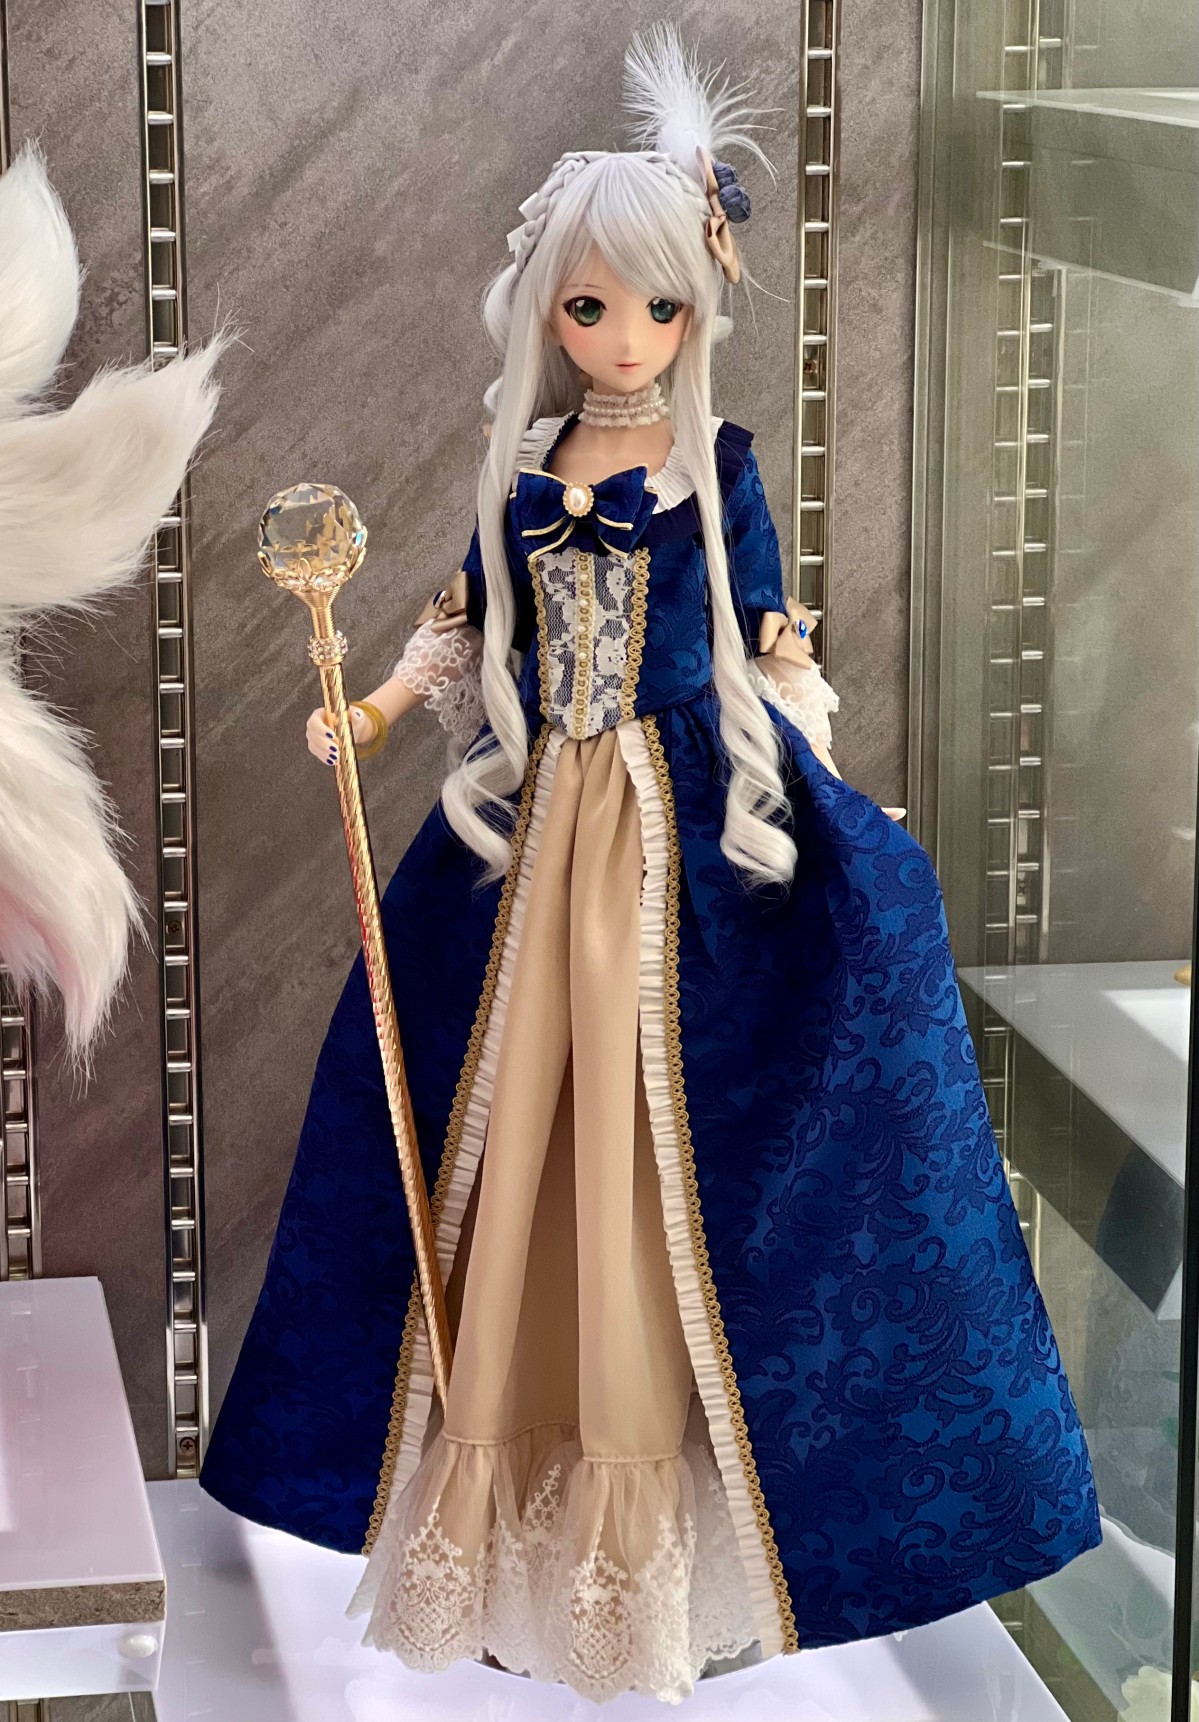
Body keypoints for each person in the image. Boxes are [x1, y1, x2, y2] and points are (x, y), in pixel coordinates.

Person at [200, 24, 1101, 1706]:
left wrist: (823, 792)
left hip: (684, 842)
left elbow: (770, 646)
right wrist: (370, 708)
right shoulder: (522, 479)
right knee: (519, 1147)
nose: (624, 338)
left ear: (698, 309)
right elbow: (457, 627)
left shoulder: (715, 471)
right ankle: (510, 1517)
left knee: (661, 1151)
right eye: (590, 306)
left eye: (658, 308)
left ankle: (661, 1531)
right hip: (532, 836)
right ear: (545, 310)